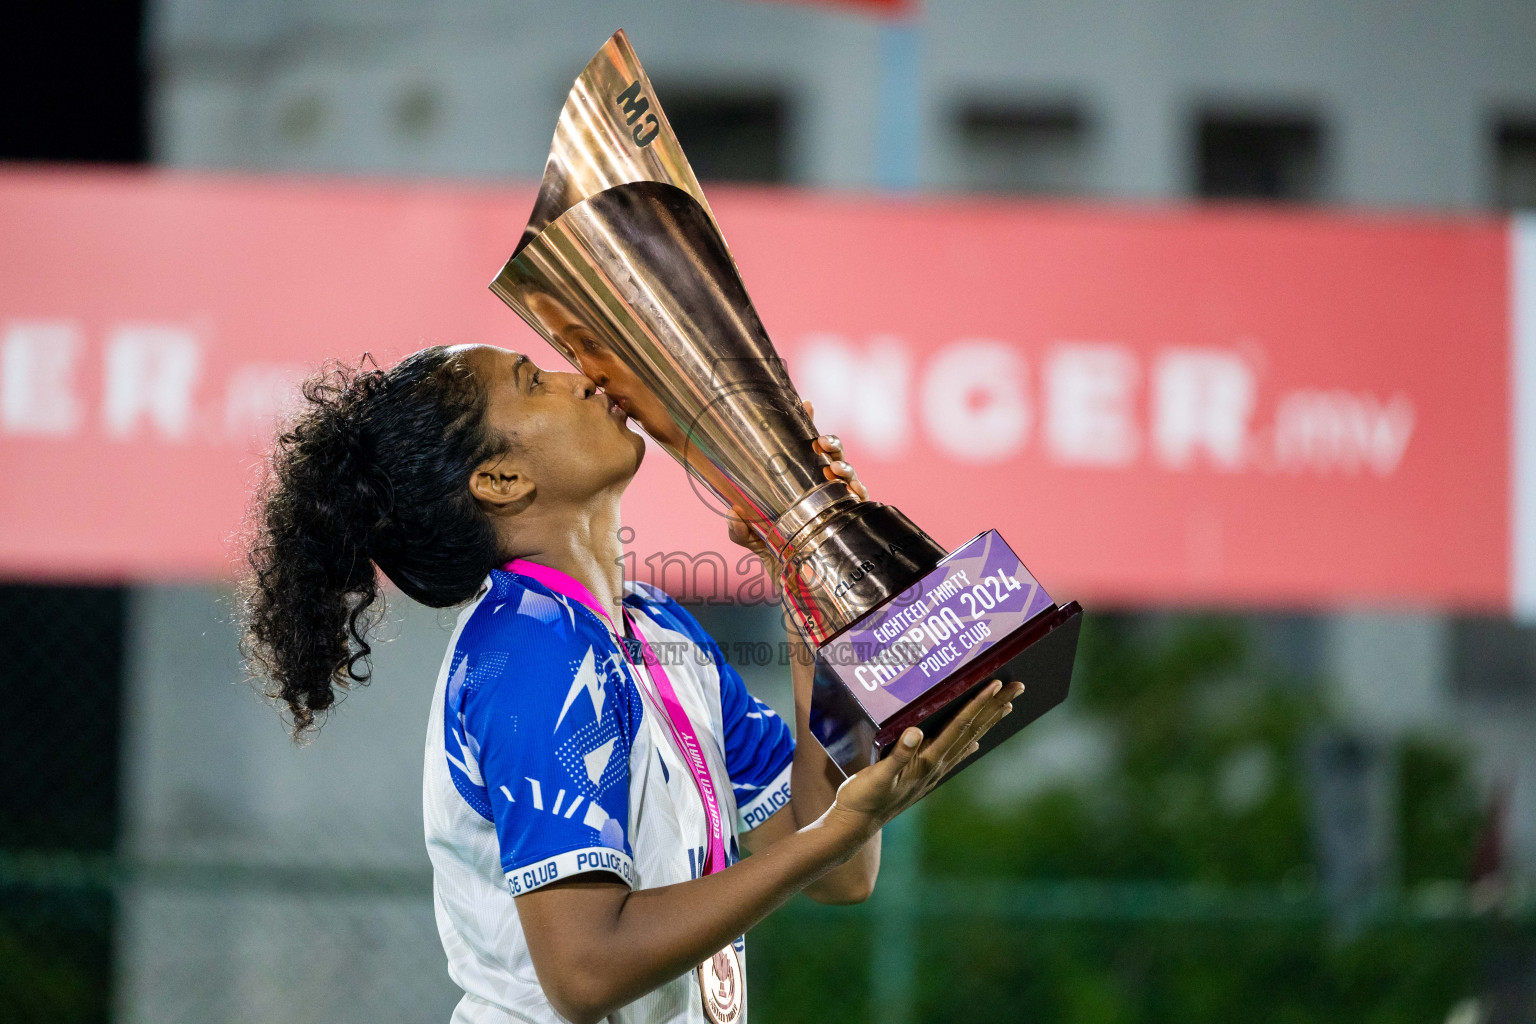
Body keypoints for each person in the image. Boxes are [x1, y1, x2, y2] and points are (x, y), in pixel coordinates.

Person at [241, 344, 1023, 1024]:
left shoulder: (656, 628)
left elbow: (838, 869)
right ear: (503, 477)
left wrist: (803, 574)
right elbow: (585, 971)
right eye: (532, 381)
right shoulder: (529, 651)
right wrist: (836, 833)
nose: (576, 377)